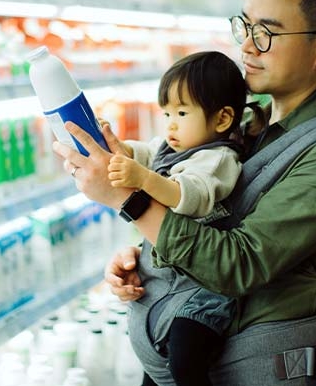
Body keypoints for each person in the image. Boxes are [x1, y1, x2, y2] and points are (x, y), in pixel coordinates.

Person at [55, 0, 316, 386]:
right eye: (244, 24)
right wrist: (148, 255)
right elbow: (204, 219)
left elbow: (239, 263)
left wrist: (132, 202)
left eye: (266, 33)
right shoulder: (248, 123)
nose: (246, 45)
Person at [104, 50, 263, 386]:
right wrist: (120, 149)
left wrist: (143, 179)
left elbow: (190, 196)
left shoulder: (218, 158)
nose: (171, 124)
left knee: (185, 364)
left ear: (221, 119)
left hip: (202, 294)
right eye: (166, 113)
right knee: (158, 369)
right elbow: (147, 152)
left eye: (181, 112)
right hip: (170, 285)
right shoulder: (175, 145)